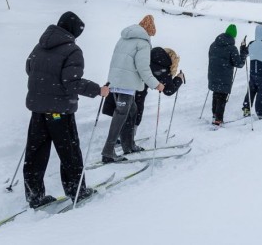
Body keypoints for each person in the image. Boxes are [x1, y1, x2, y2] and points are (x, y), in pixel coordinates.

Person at [23, 11, 110, 208]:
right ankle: (77, 191)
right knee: (69, 152)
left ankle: (34, 196)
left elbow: (29, 68)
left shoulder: (40, 44)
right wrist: (98, 90)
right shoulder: (72, 50)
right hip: (59, 111)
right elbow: (71, 83)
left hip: (38, 109)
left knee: (35, 153)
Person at [102, 15, 165, 163]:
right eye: (151, 33)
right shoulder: (142, 43)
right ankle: (108, 151)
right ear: (149, 30)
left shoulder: (124, 38)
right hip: (126, 84)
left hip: (116, 81)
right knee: (121, 115)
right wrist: (156, 84)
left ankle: (128, 145)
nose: (150, 36)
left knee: (132, 111)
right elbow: (143, 68)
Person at [102, 46, 185, 150]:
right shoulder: (163, 65)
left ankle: (119, 139)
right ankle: (126, 141)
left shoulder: (147, 55)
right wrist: (179, 79)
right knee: (134, 115)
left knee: (121, 114)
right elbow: (168, 90)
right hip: (136, 92)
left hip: (119, 84)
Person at [208, 24, 248, 125]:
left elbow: (210, 56)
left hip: (213, 73)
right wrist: (243, 51)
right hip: (224, 76)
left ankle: (214, 115)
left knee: (216, 94)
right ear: (234, 36)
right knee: (222, 96)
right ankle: (218, 119)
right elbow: (239, 64)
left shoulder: (213, 44)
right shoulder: (232, 48)